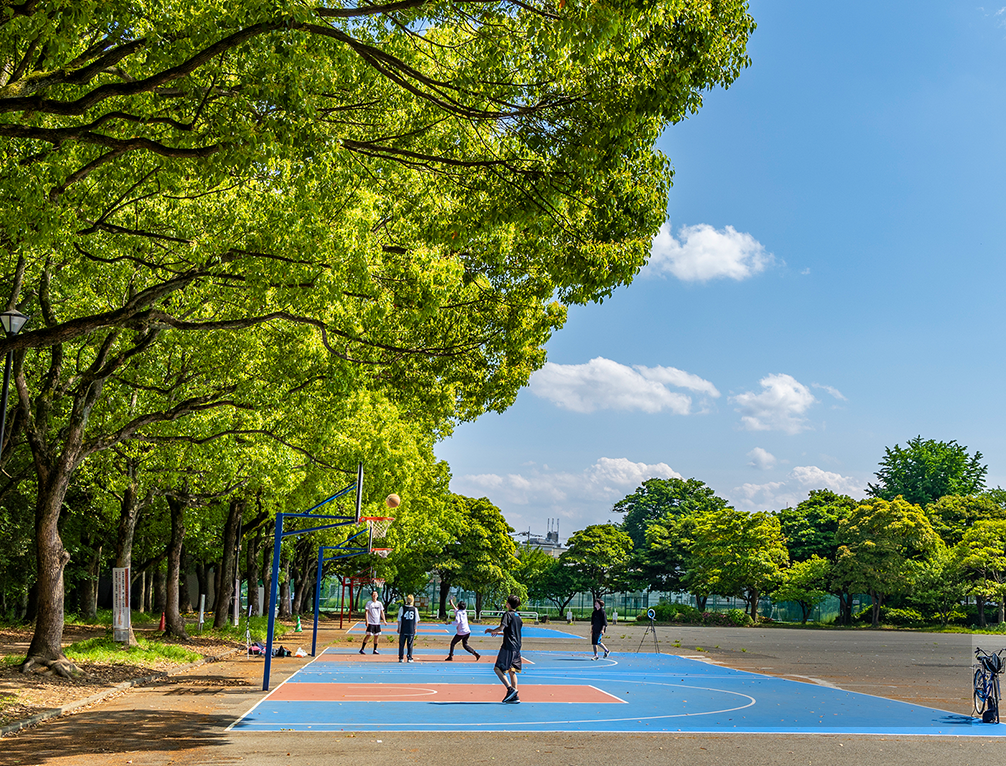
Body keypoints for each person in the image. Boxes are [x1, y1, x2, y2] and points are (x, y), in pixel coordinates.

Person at [485, 594, 523, 703]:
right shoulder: (518, 617)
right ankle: (515, 696)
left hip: (508, 646)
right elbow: (511, 633)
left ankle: (510, 689)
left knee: (497, 669)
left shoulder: (507, 615)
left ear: (508, 604)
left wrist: (495, 630)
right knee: (512, 670)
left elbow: (502, 627)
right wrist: (496, 631)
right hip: (517, 646)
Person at [359, 590, 386, 655]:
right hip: (371, 622)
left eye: (375, 595)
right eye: (373, 595)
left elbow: (382, 612)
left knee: (376, 636)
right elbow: (366, 612)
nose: (374, 596)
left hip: (377, 623)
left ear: (377, 596)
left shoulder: (379, 603)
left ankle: (375, 649)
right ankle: (362, 649)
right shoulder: (369, 603)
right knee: (368, 635)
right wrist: (367, 621)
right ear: (371, 596)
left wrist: (384, 620)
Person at [397, 594, 419, 662]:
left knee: (401, 644)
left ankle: (401, 657)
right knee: (410, 644)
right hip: (411, 629)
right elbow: (416, 620)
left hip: (403, 628)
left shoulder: (402, 608)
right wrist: (415, 628)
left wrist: (399, 628)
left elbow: (399, 619)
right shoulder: (414, 609)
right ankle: (409, 657)